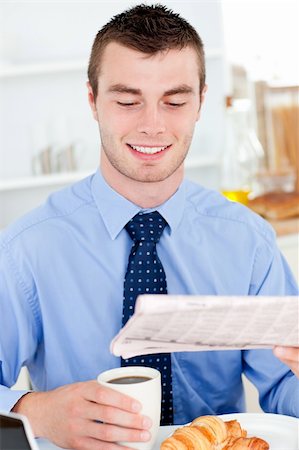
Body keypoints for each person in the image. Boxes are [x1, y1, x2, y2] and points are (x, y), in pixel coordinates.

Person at [0, 3, 298, 450]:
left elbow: (284, 394)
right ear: (92, 102)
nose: (152, 125)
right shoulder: (28, 248)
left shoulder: (248, 242)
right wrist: (34, 410)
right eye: (126, 101)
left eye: (175, 101)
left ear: (200, 101)